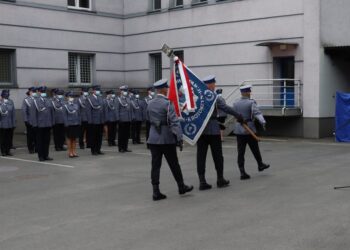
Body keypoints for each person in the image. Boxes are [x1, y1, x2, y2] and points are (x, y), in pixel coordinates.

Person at [147, 79, 193, 201]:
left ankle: (155, 192)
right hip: (166, 138)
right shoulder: (167, 103)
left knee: (155, 165)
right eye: (166, 88)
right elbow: (174, 122)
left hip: (153, 138)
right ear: (162, 89)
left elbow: (148, 118)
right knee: (174, 164)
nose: (167, 89)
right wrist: (179, 137)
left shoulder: (150, 103)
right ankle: (181, 186)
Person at [196, 75, 244, 191]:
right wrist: (237, 115)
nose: (214, 85)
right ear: (210, 84)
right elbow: (225, 108)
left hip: (201, 130)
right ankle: (220, 179)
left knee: (200, 156)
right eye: (213, 83)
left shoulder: (198, 97)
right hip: (212, 130)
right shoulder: (213, 96)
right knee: (218, 156)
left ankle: (202, 181)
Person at [233, 85, 270, 180]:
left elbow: (234, 114)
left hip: (238, 129)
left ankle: (242, 172)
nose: (250, 93)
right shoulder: (251, 102)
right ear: (247, 92)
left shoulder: (235, 102)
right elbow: (257, 113)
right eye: (249, 91)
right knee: (255, 148)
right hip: (249, 129)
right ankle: (260, 164)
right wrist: (263, 122)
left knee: (240, 152)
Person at [34, 86, 54, 161]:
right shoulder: (36, 101)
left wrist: (52, 122)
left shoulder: (48, 100)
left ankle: (46, 155)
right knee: (40, 141)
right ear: (38, 92)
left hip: (48, 123)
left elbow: (52, 112)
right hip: (40, 124)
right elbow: (34, 114)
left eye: (44, 92)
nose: (43, 93)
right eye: (41, 92)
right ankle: (41, 156)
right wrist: (35, 124)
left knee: (46, 140)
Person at [87, 85, 105, 155]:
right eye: (97, 90)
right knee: (93, 136)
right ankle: (93, 150)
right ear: (93, 90)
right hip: (94, 121)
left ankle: (98, 149)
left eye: (98, 90)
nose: (98, 91)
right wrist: (90, 121)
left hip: (100, 120)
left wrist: (103, 120)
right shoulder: (89, 99)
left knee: (99, 136)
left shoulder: (100, 98)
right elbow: (88, 111)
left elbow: (102, 110)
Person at [63, 91, 81, 158]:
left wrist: (79, 122)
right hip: (69, 124)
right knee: (69, 139)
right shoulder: (65, 105)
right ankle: (70, 152)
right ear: (67, 97)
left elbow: (78, 115)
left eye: (72, 96)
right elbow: (64, 116)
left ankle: (74, 152)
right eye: (70, 96)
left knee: (74, 139)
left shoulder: (76, 105)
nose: (72, 98)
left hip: (75, 123)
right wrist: (66, 124)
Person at [22, 87, 37, 154]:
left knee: (37, 135)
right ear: (30, 92)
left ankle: (37, 148)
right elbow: (24, 111)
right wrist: (26, 120)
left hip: (37, 121)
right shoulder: (26, 100)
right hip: (30, 121)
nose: (34, 93)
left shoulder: (38, 99)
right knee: (30, 136)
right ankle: (30, 148)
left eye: (35, 92)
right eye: (32, 92)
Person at [0, 90, 16, 156]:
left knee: (9, 138)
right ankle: (3, 151)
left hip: (10, 123)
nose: (7, 95)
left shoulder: (10, 101)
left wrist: (13, 123)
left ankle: (8, 150)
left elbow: (13, 113)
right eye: (5, 94)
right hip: (2, 123)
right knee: (3, 138)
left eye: (7, 94)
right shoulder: (0, 102)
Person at [117, 85, 132, 153]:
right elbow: (117, 110)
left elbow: (130, 109)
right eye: (124, 90)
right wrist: (118, 119)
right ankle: (121, 148)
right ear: (121, 91)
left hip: (128, 119)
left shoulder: (128, 98)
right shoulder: (118, 99)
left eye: (126, 90)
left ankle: (125, 147)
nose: (125, 92)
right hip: (122, 119)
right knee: (121, 135)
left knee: (126, 134)